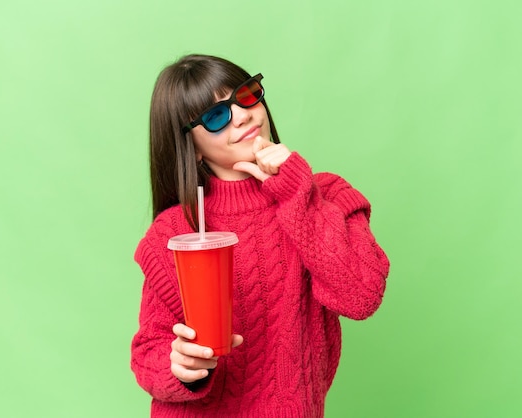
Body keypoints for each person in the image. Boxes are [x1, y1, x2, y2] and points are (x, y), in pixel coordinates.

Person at [131, 53, 390, 417]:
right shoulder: (175, 231)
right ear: (192, 148)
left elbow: (361, 295)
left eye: (246, 95)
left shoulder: (326, 196)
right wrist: (180, 368)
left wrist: (294, 190)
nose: (242, 115)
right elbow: (148, 351)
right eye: (216, 116)